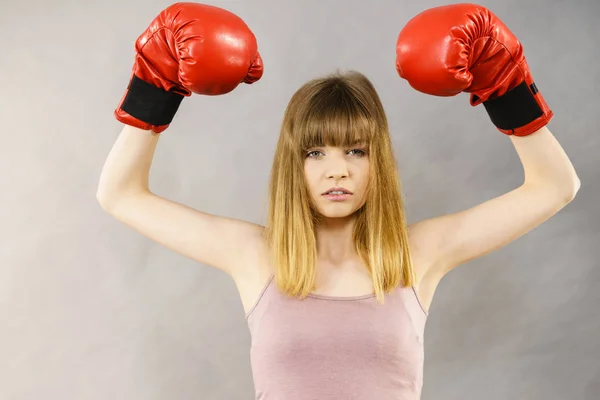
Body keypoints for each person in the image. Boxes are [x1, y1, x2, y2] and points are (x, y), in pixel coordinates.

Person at [97, 3, 580, 399]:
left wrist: (507, 85)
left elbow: (554, 186)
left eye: (356, 150)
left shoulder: (414, 256)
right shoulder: (256, 256)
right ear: (295, 164)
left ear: (378, 163)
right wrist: (154, 89)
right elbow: (120, 194)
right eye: (315, 152)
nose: (337, 169)